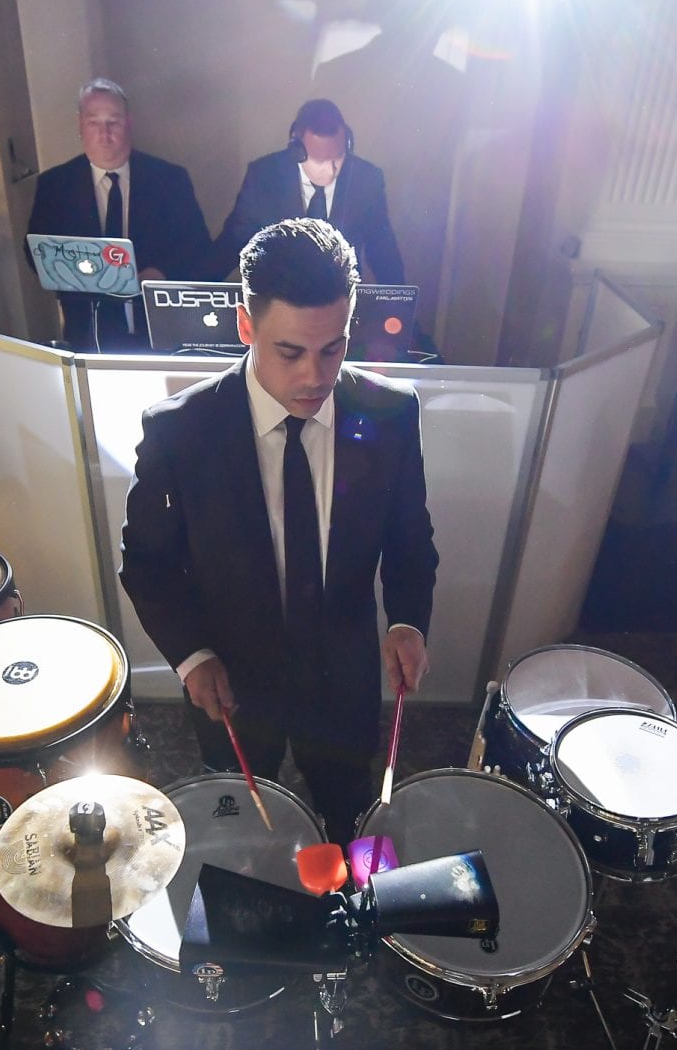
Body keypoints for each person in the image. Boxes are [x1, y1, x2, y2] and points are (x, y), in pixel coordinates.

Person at [119, 219, 437, 844]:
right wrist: (192, 655)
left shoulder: (391, 414)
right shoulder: (181, 432)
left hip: (343, 675)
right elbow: (147, 563)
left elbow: (408, 538)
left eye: (334, 348)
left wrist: (406, 620)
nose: (315, 377)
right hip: (233, 681)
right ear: (246, 326)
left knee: (345, 819)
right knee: (238, 831)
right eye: (290, 351)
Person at [25, 78, 211, 352]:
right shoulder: (55, 185)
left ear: (129, 123)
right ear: (80, 125)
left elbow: (198, 246)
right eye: (94, 122)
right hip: (87, 329)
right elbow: (34, 252)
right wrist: (73, 271)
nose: (105, 133)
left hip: (157, 326)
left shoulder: (169, 179)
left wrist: (160, 273)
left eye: (113, 122)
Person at [211, 99, 406, 287]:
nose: (330, 170)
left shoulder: (367, 180)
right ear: (297, 150)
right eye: (319, 161)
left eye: (337, 159)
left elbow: (383, 252)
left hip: (340, 306)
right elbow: (234, 241)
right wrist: (191, 294)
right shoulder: (264, 177)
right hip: (279, 303)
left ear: (347, 144)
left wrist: (401, 308)